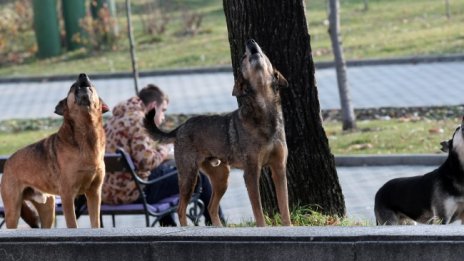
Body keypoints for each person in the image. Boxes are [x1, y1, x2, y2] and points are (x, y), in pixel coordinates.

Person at [78, 84, 223, 226]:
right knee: (200, 176)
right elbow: (146, 162)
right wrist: (165, 150)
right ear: (153, 106)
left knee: (164, 175)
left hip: (107, 191)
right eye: (163, 110)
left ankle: (169, 227)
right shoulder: (139, 121)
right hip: (133, 192)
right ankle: (217, 223)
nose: (163, 117)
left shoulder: (114, 119)